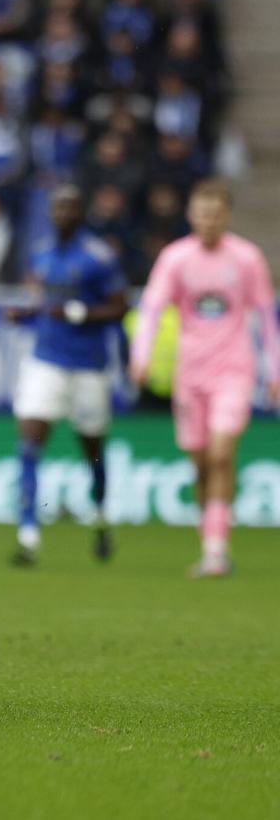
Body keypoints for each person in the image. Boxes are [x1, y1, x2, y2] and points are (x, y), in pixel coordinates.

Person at [129, 180, 280, 577]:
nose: (209, 220)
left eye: (216, 213)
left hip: (234, 370)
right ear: (191, 215)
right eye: (202, 213)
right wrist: (140, 355)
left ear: (226, 216)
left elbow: (266, 316)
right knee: (199, 462)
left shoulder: (246, 259)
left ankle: (216, 550)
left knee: (220, 453)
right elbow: (152, 308)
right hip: (190, 374)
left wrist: (275, 368)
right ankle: (210, 538)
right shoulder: (176, 258)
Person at [8, 184, 128, 564]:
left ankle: (101, 517)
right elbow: (44, 303)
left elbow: (120, 306)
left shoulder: (99, 256)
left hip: (88, 367)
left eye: (69, 207)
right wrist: (25, 313)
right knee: (29, 440)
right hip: (45, 360)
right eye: (57, 207)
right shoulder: (41, 253)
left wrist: (81, 313)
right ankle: (28, 534)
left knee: (91, 448)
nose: (62, 213)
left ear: (80, 212)